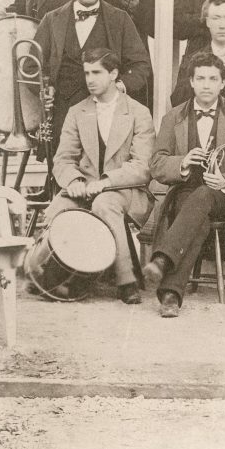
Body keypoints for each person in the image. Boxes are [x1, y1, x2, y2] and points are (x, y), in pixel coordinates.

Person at [145, 52, 225, 318]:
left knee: (205, 196)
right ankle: (171, 296)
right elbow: (157, 164)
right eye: (200, 78)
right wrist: (182, 162)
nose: (206, 84)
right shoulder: (173, 117)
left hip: (224, 198)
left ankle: (162, 259)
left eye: (213, 79)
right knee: (196, 211)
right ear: (191, 83)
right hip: (187, 194)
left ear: (222, 83)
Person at [40, 49, 155, 304]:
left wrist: (105, 183)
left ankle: (126, 281)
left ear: (114, 74)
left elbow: (142, 166)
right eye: (86, 73)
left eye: (96, 72)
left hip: (127, 190)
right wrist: (75, 181)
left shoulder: (138, 112)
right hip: (86, 186)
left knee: (105, 203)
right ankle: (55, 275)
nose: (90, 79)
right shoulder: (77, 111)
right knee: (62, 205)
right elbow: (63, 160)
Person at [34, 0, 151, 145]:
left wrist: (119, 87)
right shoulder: (51, 19)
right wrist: (44, 88)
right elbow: (33, 64)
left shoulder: (120, 20)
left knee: (104, 171)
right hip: (62, 113)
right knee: (62, 169)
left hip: (107, 113)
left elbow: (141, 65)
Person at [171, 0, 225, 108]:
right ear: (207, 22)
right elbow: (176, 100)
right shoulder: (192, 59)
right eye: (216, 18)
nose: (222, 25)